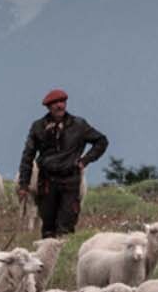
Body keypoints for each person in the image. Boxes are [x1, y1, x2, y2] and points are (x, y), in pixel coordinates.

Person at [17, 88, 108, 238]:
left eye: (62, 102)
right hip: (47, 182)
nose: (60, 106)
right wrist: (24, 184)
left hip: (70, 180)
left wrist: (85, 160)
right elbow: (28, 156)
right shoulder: (38, 127)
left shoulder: (79, 125)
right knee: (48, 227)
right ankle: (47, 259)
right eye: (55, 103)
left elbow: (101, 141)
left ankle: (63, 257)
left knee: (66, 225)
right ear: (48, 107)